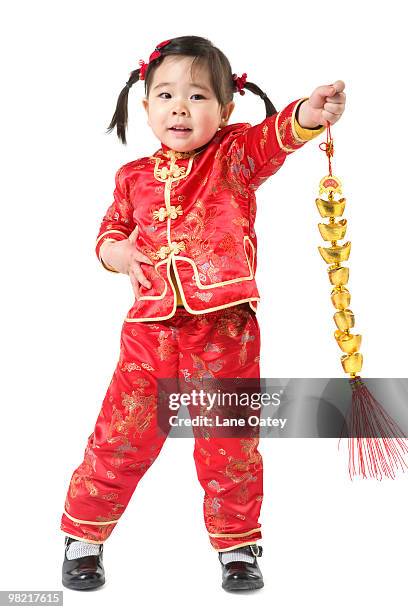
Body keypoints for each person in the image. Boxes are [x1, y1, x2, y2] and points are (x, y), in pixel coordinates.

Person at [60, 35, 346, 593]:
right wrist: (117, 254)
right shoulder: (133, 177)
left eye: (197, 97)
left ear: (226, 109)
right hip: (148, 333)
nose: (180, 108)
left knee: (230, 440)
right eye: (165, 95)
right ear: (145, 107)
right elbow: (109, 233)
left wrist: (308, 115)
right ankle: (84, 535)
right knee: (121, 435)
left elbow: (274, 140)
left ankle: (238, 545)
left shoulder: (234, 157)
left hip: (225, 329)